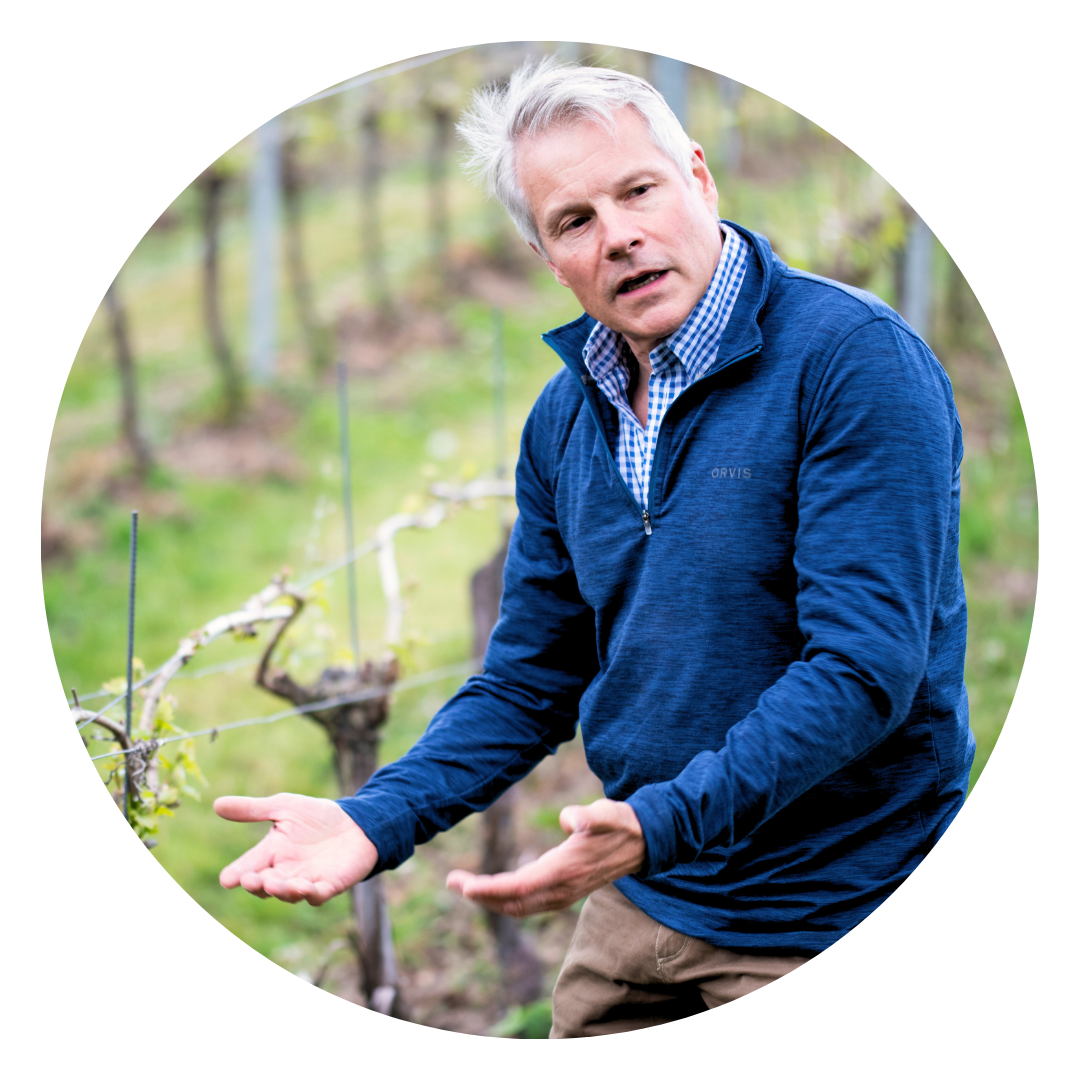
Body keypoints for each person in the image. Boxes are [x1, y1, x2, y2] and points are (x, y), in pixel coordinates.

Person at [214, 59, 974, 1037]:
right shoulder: (566, 419)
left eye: (638, 190)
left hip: (831, 916)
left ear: (697, 178)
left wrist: (660, 824)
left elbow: (865, 666)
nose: (618, 234)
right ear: (545, 254)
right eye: (573, 220)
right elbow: (530, 679)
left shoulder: (851, 363)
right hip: (642, 903)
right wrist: (377, 816)